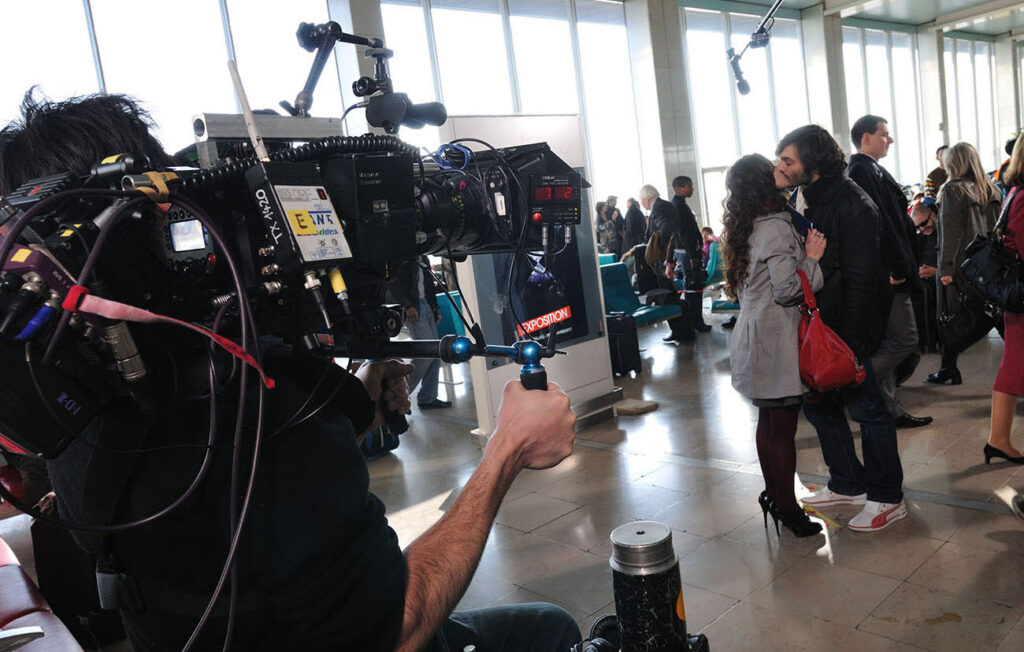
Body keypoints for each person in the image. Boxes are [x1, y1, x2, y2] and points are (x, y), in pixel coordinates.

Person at [0, 92, 582, 652]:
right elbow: (396, 631)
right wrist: (506, 450)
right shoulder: (264, 416)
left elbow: (237, 512)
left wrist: (356, 404)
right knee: (549, 626)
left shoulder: (72, 402)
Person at [774, 124, 906, 533]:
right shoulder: (807, 197)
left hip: (846, 333)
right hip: (818, 328)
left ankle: (887, 496)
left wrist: (851, 345)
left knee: (869, 412)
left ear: (811, 163)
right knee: (821, 408)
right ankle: (848, 483)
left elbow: (865, 280)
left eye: (788, 161)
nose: (781, 167)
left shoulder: (853, 203)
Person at [722, 154, 826, 537]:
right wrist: (813, 259)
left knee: (769, 423)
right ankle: (788, 508)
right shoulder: (777, 227)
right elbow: (787, 290)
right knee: (781, 427)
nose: (779, 169)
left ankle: (774, 495)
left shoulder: (746, 224)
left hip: (754, 334)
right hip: (776, 339)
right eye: (772, 168)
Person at [847, 115, 931, 429]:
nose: (890, 140)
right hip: (890, 275)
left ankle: (889, 409)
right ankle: (855, 380)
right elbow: (879, 224)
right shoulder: (861, 171)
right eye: (884, 134)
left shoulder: (871, 169)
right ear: (866, 137)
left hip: (894, 270)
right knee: (905, 339)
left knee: (892, 341)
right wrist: (895, 267)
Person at [927, 142, 1003, 385]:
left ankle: (948, 368)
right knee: (993, 312)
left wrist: (945, 269)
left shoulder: (952, 190)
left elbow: (950, 233)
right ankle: (948, 368)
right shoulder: (991, 189)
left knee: (952, 317)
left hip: (961, 264)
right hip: (987, 264)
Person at [985, 134, 1024, 465]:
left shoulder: (1015, 192)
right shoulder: (1023, 198)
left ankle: (998, 439)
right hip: (1022, 298)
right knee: (1013, 366)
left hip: (1017, 298)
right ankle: (998, 439)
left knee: (1013, 365)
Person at [388, 255, 452, 410]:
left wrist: (435, 308)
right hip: (413, 307)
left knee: (437, 354)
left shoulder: (423, 258)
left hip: (426, 306)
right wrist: (406, 306)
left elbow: (429, 286)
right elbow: (394, 284)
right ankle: (400, 396)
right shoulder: (401, 259)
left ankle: (428, 398)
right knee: (424, 357)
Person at [639, 183, 694, 342]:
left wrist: (660, 252)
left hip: (662, 260)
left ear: (648, 198)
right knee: (671, 294)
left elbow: (666, 231)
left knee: (667, 295)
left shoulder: (659, 208)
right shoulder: (666, 205)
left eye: (642, 200)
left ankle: (680, 331)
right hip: (668, 258)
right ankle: (684, 329)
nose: (642, 203)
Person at [669, 176, 710, 333]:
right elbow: (683, 234)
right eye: (689, 187)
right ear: (679, 188)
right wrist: (693, 255)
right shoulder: (678, 206)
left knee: (693, 287)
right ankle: (696, 322)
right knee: (693, 286)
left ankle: (696, 321)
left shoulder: (681, 204)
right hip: (687, 253)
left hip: (689, 251)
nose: (692, 189)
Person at [910, 196, 940, 354]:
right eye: (918, 227)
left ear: (933, 216)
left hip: (939, 278)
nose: (922, 229)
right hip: (923, 278)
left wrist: (936, 271)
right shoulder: (921, 238)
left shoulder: (945, 234)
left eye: (924, 224)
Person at [605, 195, 625, 260]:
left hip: (619, 235)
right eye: (614, 201)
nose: (616, 202)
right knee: (615, 255)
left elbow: (621, 221)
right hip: (611, 236)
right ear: (610, 201)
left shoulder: (617, 210)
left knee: (620, 252)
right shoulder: (605, 211)